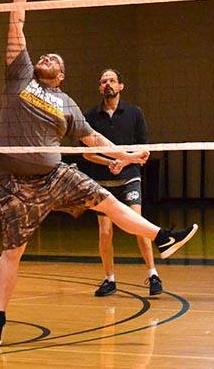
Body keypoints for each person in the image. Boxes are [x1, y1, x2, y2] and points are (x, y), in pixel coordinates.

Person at [0, 0, 198, 347]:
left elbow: (94, 139)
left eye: (55, 59)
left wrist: (128, 156)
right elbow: (16, 26)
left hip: (55, 177)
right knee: (13, 251)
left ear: (62, 76)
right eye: (45, 55)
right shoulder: (20, 76)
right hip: (15, 183)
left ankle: (163, 238)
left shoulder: (67, 105)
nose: (47, 56)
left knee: (110, 202)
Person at [78, 69, 162, 297]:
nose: (108, 83)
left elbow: (144, 149)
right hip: (102, 180)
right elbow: (87, 154)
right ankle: (109, 279)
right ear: (99, 87)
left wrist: (123, 163)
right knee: (105, 232)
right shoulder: (90, 116)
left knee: (138, 224)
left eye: (112, 80)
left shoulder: (134, 113)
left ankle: (153, 274)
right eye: (103, 80)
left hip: (129, 176)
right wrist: (108, 163)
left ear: (121, 86)